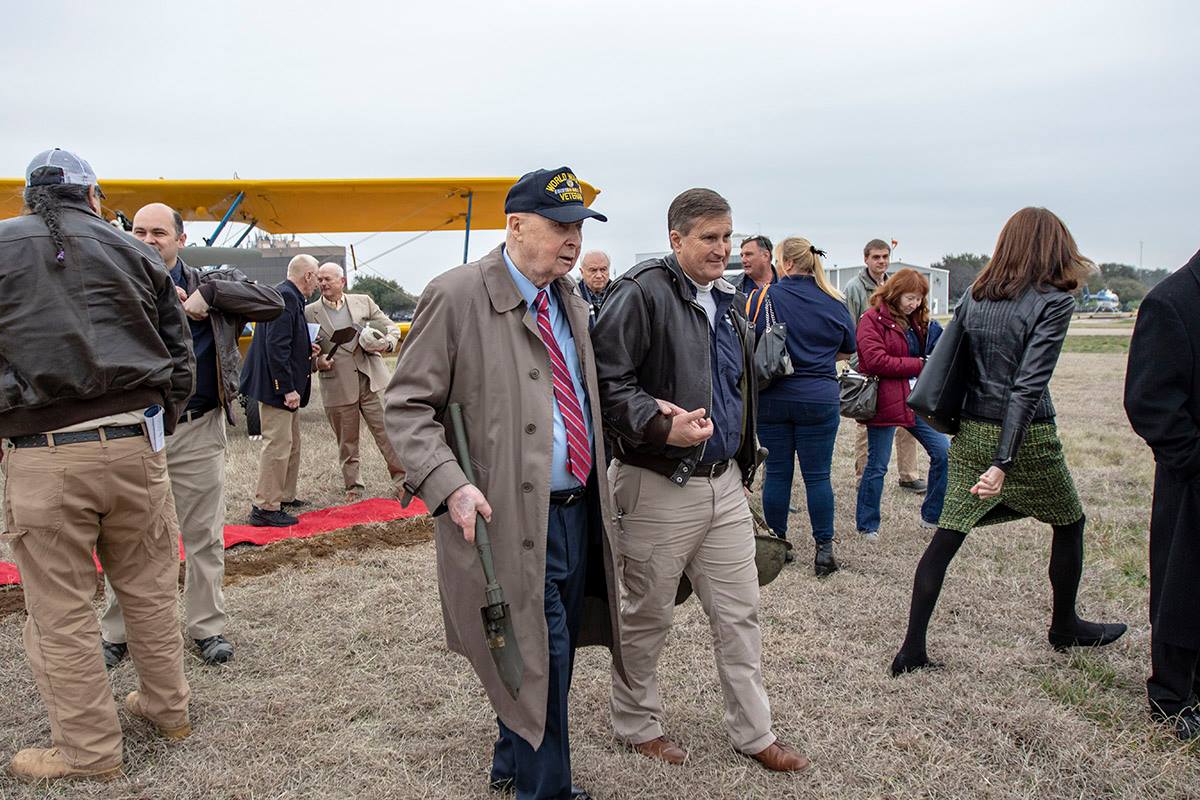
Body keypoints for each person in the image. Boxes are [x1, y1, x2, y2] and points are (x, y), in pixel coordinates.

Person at [384, 166, 622, 800]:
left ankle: (511, 761)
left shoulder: (570, 300)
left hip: (575, 512)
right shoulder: (455, 295)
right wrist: (449, 484)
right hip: (504, 518)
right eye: (559, 226)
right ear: (515, 226)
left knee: (541, 649)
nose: (573, 240)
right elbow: (406, 407)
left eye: (578, 227)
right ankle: (546, 790)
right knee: (542, 657)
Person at [593, 188, 809, 773]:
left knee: (740, 613)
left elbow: (737, 387)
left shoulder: (731, 300)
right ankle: (637, 723)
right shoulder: (640, 292)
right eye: (709, 238)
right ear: (676, 239)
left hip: (725, 483)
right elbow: (606, 384)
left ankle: (754, 732)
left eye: (728, 237)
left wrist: (742, 458)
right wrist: (661, 425)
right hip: (657, 481)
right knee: (647, 614)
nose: (722, 249)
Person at [0, 149, 194, 781]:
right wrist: (158, 421)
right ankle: (168, 710)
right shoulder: (136, 250)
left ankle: (89, 751)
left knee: (60, 610)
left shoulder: (4, 246)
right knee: (149, 588)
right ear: (92, 197)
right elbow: (179, 350)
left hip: (44, 450)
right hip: (137, 443)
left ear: (31, 197)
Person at [890, 207, 1126, 677]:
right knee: (1070, 521)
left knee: (948, 535)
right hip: (1026, 437)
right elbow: (1027, 386)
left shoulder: (977, 295)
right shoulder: (1054, 301)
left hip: (971, 428)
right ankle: (1064, 625)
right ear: (1054, 247)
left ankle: (911, 649)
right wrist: (1004, 460)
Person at [99, 203, 284, 668]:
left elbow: (273, 303)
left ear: (181, 240)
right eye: (139, 231)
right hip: (131, 431)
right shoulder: (113, 281)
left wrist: (211, 294)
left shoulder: (210, 282)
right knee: (127, 537)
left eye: (159, 232)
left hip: (197, 428)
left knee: (203, 535)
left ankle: (206, 627)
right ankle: (117, 632)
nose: (148, 239)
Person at [1124, 246, 1200, 741]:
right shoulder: (1171, 301)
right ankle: (1173, 696)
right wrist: (1191, 459)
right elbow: (1149, 399)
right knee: (1183, 585)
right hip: (1190, 478)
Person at [748, 237, 855, 576]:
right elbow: (847, 349)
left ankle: (778, 543)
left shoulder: (764, 297)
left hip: (774, 395)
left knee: (777, 473)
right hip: (819, 394)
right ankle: (824, 549)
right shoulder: (835, 300)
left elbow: (749, 341)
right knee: (818, 476)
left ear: (788, 263)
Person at [854, 268, 948, 539]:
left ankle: (932, 515)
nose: (914, 304)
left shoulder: (920, 322)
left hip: (916, 401)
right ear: (895, 294)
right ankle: (867, 524)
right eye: (910, 298)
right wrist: (919, 364)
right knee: (878, 465)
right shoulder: (871, 319)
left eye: (918, 299)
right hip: (884, 400)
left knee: (944, 452)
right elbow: (875, 360)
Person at [306, 263, 405, 503]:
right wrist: (317, 362)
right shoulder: (308, 312)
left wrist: (386, 343)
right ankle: (353, 486)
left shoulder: (364, 302)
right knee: (346, 441)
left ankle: (403, 482)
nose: (323, 283)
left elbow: (391, 328)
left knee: (388, 434)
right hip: (337, 384)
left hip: (371, 380)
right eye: (320, 279)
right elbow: (301, 353)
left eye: (328, 279)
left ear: (342, 281)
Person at [240, 254, 320, 527]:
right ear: (307, 276)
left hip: (282, 386)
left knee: (291, 442)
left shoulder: (288, 296)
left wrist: (306, 347)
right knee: (277, 445)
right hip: (277, 389)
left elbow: (285, 341)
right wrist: (286, 389)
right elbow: (276, 346)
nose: (317, 285)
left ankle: (284, 495)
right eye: (316, 278)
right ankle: (265, 506)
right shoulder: (286, 298)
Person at [844, 239, 924, 493]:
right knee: (868, 425)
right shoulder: (854, 287)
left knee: (907, 422)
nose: (881, 261)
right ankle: (863, 475)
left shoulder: (896, 285)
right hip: (868, 368)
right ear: (866, 259)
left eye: (885, 256)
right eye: (876, 257)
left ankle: (908, 474)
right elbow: (850, 328)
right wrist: (859, 364)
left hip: (900, 367)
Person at [578, 250, 611, 327]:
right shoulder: (574, 297)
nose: (599, 275)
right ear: (582, 272)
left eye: (603, 269)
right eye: (593, 270)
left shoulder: (619, 294)